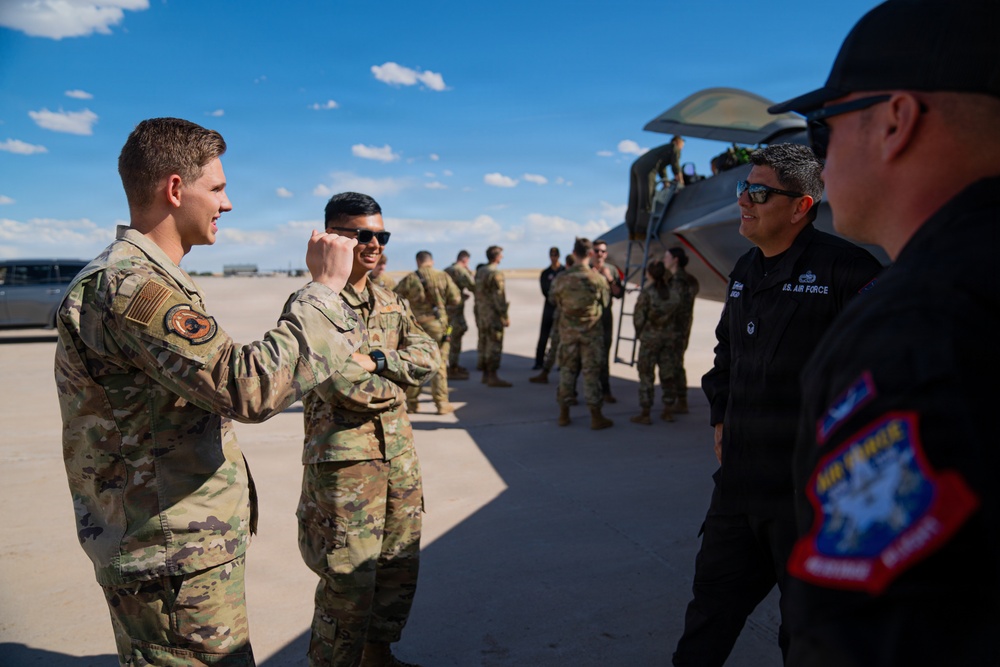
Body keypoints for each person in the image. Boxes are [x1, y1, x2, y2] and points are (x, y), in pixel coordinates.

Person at [54, 117, 360, 664]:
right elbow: (247, 387)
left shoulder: (150, 279)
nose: (228, 203)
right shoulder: (131, 286)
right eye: (217, 188)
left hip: (177, 550)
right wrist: (323, 292)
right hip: (166, 559)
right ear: (175, 189)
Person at [766, 1, 1000, 664]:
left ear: (896, 121)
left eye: (821, 131)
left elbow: (873, 634)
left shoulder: (915, 331)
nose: (822, 160)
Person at [673, 143, 882, 666]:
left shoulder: (848, 271)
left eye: (759, 192)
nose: (744, 199)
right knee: (706, 620)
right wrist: (721, 416)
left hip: (809, 503)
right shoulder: (744, 269)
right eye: (745, 188)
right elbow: (726, 355)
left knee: (809, 639)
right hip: (739, 493)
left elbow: (884, 379)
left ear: (800, 207)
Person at [299, 192, 438, 667]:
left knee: (398, 568)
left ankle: (378, 658)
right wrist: (398, 386)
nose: (375, 244)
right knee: (348, 583)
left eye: (382, 235)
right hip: (347, 470)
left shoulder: (390, 299)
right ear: (332, 237)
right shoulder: (315, 305)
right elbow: (344, 387)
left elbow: (429, 357)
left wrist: (380, 359)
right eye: (363, 234)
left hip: (398, 459)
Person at [549, 237, 613, 430]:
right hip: (591, 335)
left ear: (574, 253)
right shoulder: (598, 279)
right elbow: (605, 303)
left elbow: (554, 300)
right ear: (591, 254)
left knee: (567, 373)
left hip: (568, 334)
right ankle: (596, 416)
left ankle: (563, 414)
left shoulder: (561, 279)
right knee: (591, 374)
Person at [394, 250, 461, 414]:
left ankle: (412, 403)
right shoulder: (443, 276)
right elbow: (456, 299)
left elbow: (394, 296)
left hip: (418, 327)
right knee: (439, 364)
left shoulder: (411, 278)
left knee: (416, 364)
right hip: (439, 326)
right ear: (432, 261)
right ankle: (441, 403)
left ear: (418, 261)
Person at [629, 260, 679, 425]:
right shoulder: (673, 292)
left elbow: (638, 318)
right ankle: (668, 410)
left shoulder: (647, 293)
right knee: (667, 374)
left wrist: (641, 334)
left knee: (646, 375)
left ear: (649, 274)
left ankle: (645, 412)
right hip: (668, 339)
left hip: (650, 340)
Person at [625, 135, 685, 239]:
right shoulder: (674, 148)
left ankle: (632, 233)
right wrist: (681, 183)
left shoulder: (662, 150)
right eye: (682, 145)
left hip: (636, 166)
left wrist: (665, 182)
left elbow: (661, 168)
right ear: (678, 142)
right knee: (646, 201)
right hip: (647, 169)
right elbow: (676, 167)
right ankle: (641, 233)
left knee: (634, 200)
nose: (682, 148)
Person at [663, 246, 700, 414]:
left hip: (675, 330)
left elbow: (671, 308)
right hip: (681, 329)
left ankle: (678, 401)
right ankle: (679, 400)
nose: (665, 260)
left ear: (675, 260)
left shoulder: (677, 282)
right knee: (676, 364)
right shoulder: (687, 279)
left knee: (674, 365)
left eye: (667, 257)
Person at [591, 239, 623, 403]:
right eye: (596, 251)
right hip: (587, 319)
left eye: (602, 251)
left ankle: (605, 391)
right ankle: (571, 392)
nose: (600, 254)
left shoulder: (611, 270)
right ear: (591, 252)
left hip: (605, 317)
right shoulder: (586, 270)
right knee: (581, 356)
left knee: (603, 355)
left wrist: (609, 278)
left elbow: (619, 293)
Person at [475, 245, 512, 387]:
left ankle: (485, 375)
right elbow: (499, 296)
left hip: (482, 313)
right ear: (496, 257)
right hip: (492, 314)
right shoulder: (495, 273)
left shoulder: (481, 271)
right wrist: (504, 315)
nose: (502, 257)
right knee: (494, 344)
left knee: (484, 343)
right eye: (501, 255)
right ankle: (492, 376)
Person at [443, 249, 475, 380]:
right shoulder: (460, 271)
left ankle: (452, 365)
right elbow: (473, 286)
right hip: (456, 311)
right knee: (456, 335)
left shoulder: (446, 270)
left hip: (447, 311)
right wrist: (469, 271)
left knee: (449, 334)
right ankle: (452, 367)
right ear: (465, 260)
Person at [532, 246, 564, 370]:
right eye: (552, 255)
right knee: (544, 335)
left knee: (561, 336)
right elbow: (545, 290)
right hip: (549, 307)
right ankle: (539, 361)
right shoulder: (546, 273)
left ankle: (560, 362)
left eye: (555, 255)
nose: (553, 257)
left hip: (561, 308)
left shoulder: (563, 271)